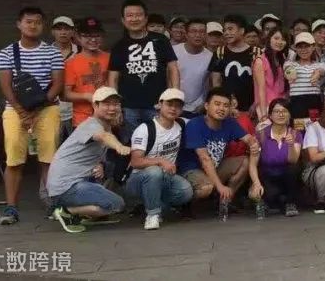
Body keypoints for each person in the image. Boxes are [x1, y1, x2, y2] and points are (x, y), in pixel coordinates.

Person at [0, 7, 65, 225]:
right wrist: (21, 111)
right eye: (28, 21)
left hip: (47, 108)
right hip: (15, 109)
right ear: (19, 24)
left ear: (43, 26)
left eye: (37, 22)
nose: (33, 25)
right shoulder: (7, 53)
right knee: (14, 158)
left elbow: (57, 84)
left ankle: (54, 204)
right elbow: (6, 86)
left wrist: (36, 109)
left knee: (49, 157)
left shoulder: (52, 52)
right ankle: (11, 207)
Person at [47, 86, 131, 233]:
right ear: (95, 105)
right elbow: (104, 137)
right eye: (107, 104)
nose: (112, 108)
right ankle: (66, 211)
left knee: (107, 192)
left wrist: (100, 164)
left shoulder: (106, 126)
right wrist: (119, 146)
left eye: (116, 104)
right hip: (66, 187)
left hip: (74, 182)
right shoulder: (91, 125)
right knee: (117, 204)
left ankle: (86, 214)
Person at [177, 87, 259, 221]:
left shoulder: (229, 123)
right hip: (193, 170)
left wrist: (253, 144)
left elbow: (249, 138)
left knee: (244, 161)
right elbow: (204, 159)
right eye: (217, 104)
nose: (221, 108)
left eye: (226, 105)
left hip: (215, 167)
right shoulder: (195, 125)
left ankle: (224, 201)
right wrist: (220, 186)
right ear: (206, 106)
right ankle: (186, 205)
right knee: (206, 187)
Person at [108, 0, 180, 142]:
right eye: (130, 15)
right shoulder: (119, 46)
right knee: (131, 144)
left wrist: (175, 96)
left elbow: (173, 68)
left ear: (146, 18)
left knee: (158, 142)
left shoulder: (160, 40)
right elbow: (113, 78)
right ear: (123, 20)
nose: (134, 19)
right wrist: (115, 106)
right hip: (128, 107)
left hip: (157, 105)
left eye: (138, 15)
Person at [124, 88, 194, 230]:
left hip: (166, 177)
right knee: (154, 172)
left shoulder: (181, 123)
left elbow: (203, 122)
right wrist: (161, 161)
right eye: (169, 104)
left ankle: (155, 204)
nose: (173, 109)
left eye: (178, 106)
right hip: (139, 179)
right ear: (160, 105)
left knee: (186, 191)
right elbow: (136, 162)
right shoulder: (145, 129)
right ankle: (153, 214)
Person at [246, 98, 303, 218]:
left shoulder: (295, 134)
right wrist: (256, 183)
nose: (281, 114)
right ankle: (273, 201)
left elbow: (293, 160)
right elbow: (252, 164)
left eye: (284, 111)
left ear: (289, 115)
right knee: (263, 195)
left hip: (287, 178)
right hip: (267, 176)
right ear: (270, 115)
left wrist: (291, 145)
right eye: (277, 111)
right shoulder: (261, 134)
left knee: (293, 169)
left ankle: (290, 203)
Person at [209, 14, 262, 117]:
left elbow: (262, 84)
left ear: (242, 31)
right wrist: (222, 105)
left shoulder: (257, 53)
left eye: (230, 29)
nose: (226, 33)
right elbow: (216, 83)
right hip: (226, 110)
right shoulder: (220, 52)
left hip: (252, 110)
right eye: (225, 30)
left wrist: (257, 103)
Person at [63, 17, 110, 128]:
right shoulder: (71, 63)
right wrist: (86, 96)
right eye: (87, 36)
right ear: (78, 37)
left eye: (97, 35)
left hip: (109, 117)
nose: (93, 40)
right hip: (83, 119)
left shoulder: (110, 58)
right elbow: (65, 95)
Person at [283, 32, 325, 122]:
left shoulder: (320, 65)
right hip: (296, 105)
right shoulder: (290, 64)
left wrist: (317, 73)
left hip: (314, 105)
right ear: (295, 48)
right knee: (298, 129)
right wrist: (290, 73)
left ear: (313, 47)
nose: (303, 50)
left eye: (307, 46)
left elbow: (323, 70)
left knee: (314, 128)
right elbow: (287, 70)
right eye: (300, 47)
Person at [174, 19, 214, 117]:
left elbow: (210, 84)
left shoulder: (211, 57)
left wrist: (205, 103)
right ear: (186, 34)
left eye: (202, 32)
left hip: (197, 108)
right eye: (193, 31)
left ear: (206, 35)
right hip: (174, 105)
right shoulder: (173, 51)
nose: (198, 35)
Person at [51, 16, 79, 139]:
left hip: (77, 110)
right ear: (52, 32)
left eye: (67, 29)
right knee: (53, 146)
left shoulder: (82, 51)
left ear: (73, 32)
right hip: (52, 109)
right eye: (59, 29)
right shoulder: (45, 52)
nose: (63, 32)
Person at [253, 28, 289, 122]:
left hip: (282, 105)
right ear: (269, 39)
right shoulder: (260, 61)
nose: (280, 42)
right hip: (268, 107)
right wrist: (264, 115)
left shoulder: (282, 60)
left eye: (283, 39)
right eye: (276, 38)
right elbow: (261, 89)